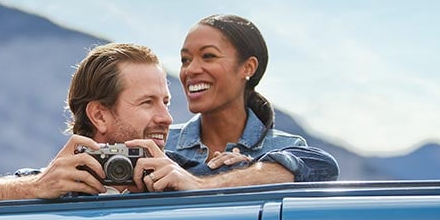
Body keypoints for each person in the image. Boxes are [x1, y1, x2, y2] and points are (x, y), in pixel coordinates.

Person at [0, 42, 174, 205]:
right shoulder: (49, 186)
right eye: (147, 103)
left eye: (166, 101)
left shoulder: (186, 178)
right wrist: (33, 188)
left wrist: (195, 186)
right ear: (100, 115)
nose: (167, 118)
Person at [131, 14, 339, 193]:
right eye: (185, 60)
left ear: (248, 67)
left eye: (208, 56)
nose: (190, 70)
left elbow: (324, 168)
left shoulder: (285, 148)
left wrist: (202, 183)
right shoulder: (159, 143)